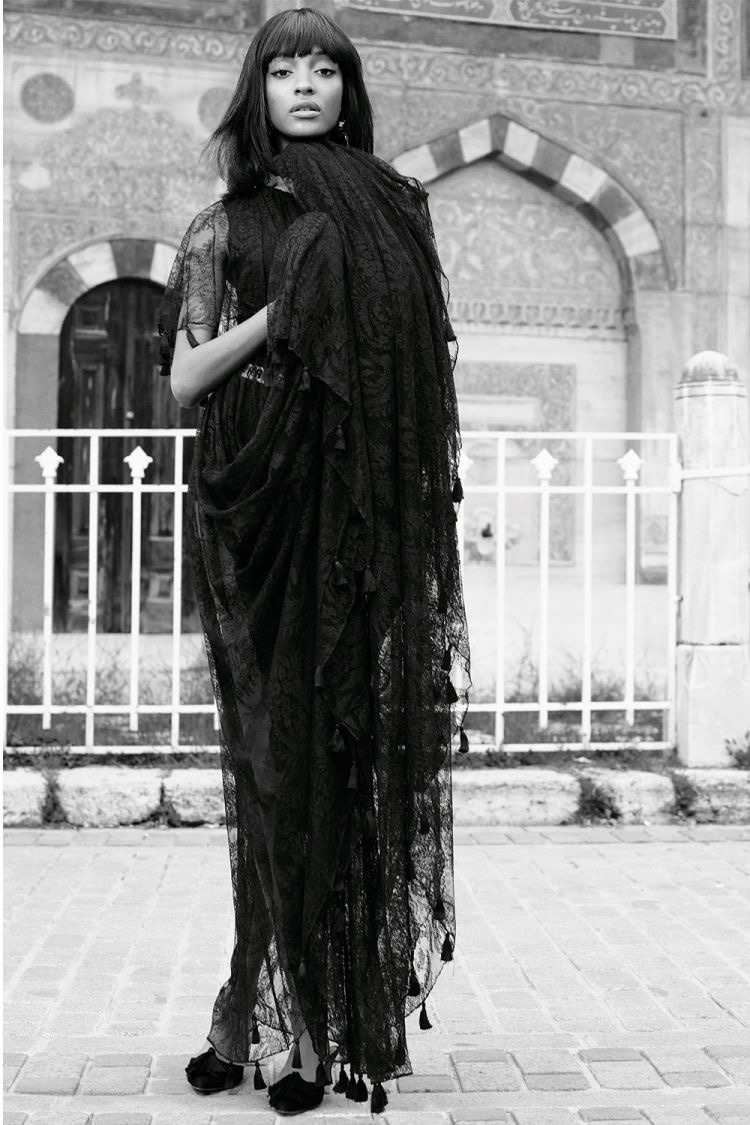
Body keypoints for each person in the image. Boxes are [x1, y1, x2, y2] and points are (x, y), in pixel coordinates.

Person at [158, 7, 470, 1116]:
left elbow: (421, 364)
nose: (303, 83)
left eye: (324, 68)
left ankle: (278, 1017)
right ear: (257, 91)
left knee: (331, 765)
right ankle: (274, 1008)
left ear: (348, 89)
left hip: (357, 527)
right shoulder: (221, 228)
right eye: (283, 67)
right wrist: (285, 313)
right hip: (256, 518)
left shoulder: (396, 211)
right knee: (269, 767)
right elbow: (187, 381)